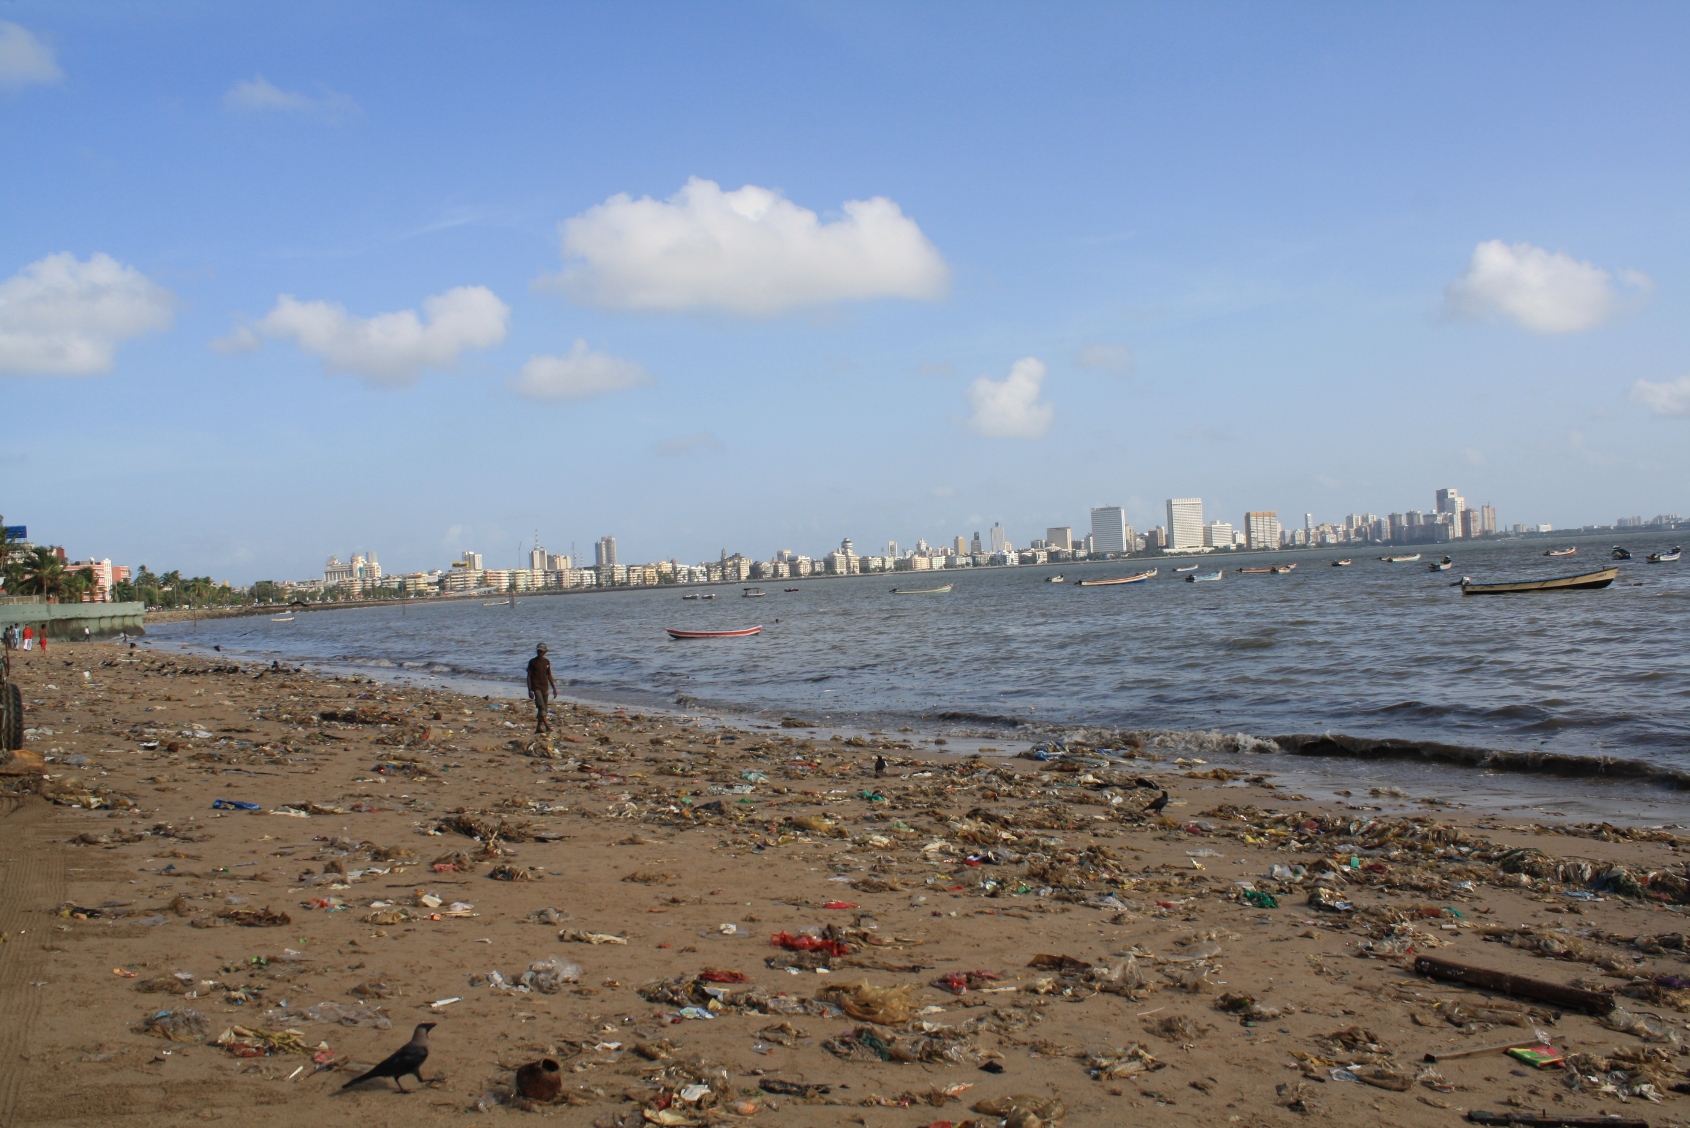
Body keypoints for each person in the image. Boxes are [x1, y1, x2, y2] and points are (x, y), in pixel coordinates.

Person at [526, 643, 557, 734]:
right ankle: (547, 726)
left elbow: (549, 675)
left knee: (544, 708)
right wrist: (530, 690)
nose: (539, 652)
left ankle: (538, 727)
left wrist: (554, 688)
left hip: (545, 687)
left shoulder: (546, 662)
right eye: (538, 650)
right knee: (541, 706)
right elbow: (529, 676)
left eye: (541, 651)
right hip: (536, 687)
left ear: (545, 652)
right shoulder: (532, 662)